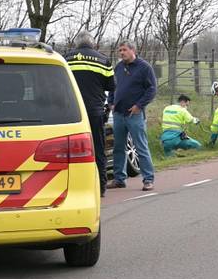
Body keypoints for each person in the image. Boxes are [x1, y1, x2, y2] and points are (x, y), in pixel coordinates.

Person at [64, 32, 115, 197]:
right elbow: (111, 86)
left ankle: (71, 187)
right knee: (98, 148)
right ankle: (101, 187)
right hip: (94, 111)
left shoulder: (65, 59)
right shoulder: (103, 60)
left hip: (71, 112)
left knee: (69, 151)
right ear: (93, 44)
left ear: (76, 43)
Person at [106, 40, 157, 191]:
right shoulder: (119, 67)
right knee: (118, 148)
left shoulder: (144, 67)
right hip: (118, 114)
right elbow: (112, 87)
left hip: (135, 115)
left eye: (124, 50)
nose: (121, 53)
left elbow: (152, 89)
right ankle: (119, 178)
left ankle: (148, 179)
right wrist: (111, 102)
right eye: (119, 50)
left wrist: (139, 106)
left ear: (132, 50)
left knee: (141, 147)